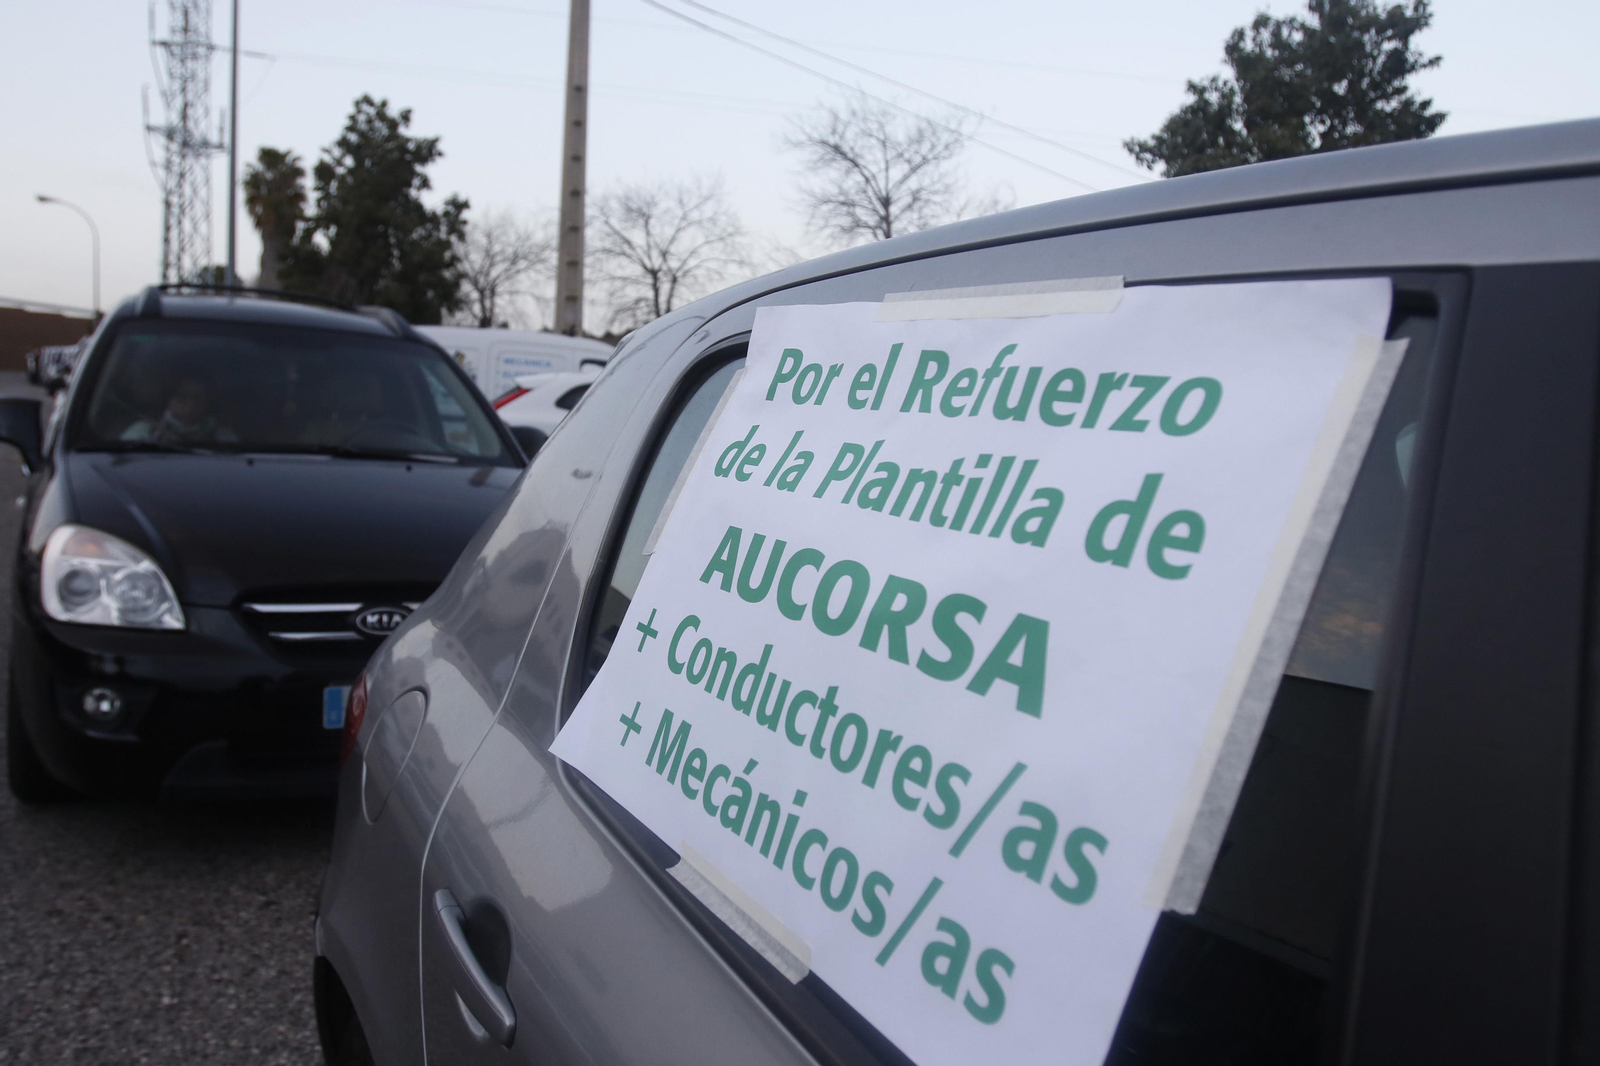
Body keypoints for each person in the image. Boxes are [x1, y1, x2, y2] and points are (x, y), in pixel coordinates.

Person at [121, 376, 239, 445]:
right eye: (182, 396)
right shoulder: (142, 433)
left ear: (207, 402)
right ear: (169, 399)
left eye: (197, 398)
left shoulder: (224, 439)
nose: (190, 403)